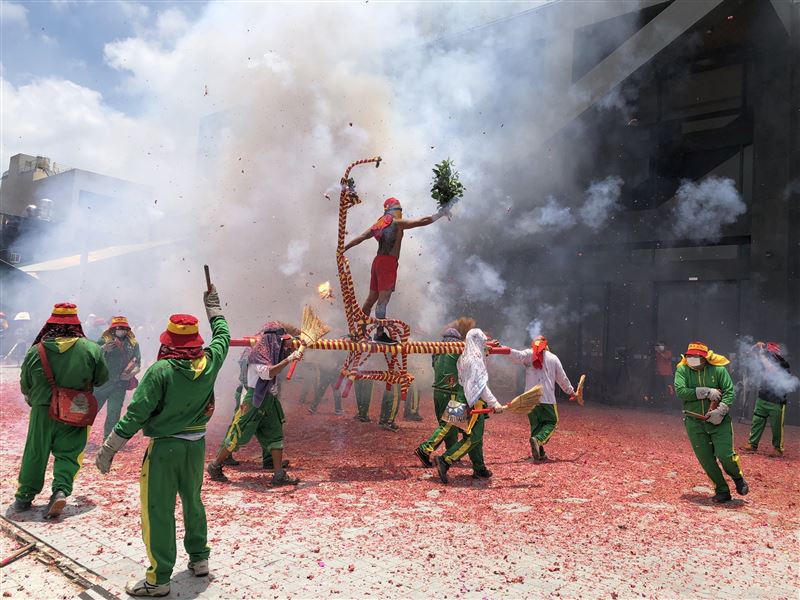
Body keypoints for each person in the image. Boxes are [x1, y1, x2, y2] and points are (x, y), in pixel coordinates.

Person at [95, 287, 229, 597]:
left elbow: (135, 415)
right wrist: (214, 309)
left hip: (165, 449)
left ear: (167, 341)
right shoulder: (211, 361)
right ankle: (199, 560)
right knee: (193, 502)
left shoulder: (159, 371)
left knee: (158, 510)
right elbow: (222, 334)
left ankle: (158, 580)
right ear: (196, 340)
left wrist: (109, 447)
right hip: (196, 447)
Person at [12, 303, 108, 518]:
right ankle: (61, 490)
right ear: (76, 324)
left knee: (36, 451)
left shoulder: (36, 350)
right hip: (76, 406)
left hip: (42, 409)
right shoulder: (91, 348)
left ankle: (24, 497)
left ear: (51, 324)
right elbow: (102, 379)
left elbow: (25, 384)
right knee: (70, 451)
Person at [342, 197, 449, 343]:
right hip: (388, 263)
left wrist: (343, 248)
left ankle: (359, 332)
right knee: (382, 301)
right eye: (399, 210)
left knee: (371, 299)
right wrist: (440, 214)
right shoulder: (397, 223)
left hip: (377, 262)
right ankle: (379, 334)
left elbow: (361, 237)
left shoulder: (379, 224)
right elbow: (424, 221)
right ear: (394, 210)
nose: (400, 213)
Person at [207, 322, 301, 486]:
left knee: (275, 433)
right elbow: (267, 373)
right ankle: (215, 466)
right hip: (253, 399)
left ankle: (279, 474)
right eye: (280, 339)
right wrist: (289, 359)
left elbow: (287, 348)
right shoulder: (257, 353)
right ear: (272, 339)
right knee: (238, 434)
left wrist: (298, 345)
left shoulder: (272, 350)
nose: (282, 343)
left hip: (269, 399)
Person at [674, 341, 749, 504]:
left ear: (705, 358)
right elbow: (680, 391)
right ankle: (722, 490)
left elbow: (729, 391)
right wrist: (706, 392)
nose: (692, 359)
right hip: (694, 421)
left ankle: (737, 477)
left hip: (719, 421)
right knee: (706, 459)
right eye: (690, 356)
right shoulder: (682, 369)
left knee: (725, 455)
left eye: (696, 357)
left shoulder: (719, 370)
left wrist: (721, 410)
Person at [432, 329, 504, 484]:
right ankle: (445, 460)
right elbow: (481, 386)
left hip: (458, 394)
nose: (484, 345)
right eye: (483, 342)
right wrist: (494, 403)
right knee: (474, 437)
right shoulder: (474, 359)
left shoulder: (463, 355)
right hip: (471, 400)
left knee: (447, 428)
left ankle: (479, 468)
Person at [504, 335, 577, 461]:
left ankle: (540, 453)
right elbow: (562, 378)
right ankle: (538, 440)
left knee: (536, 425)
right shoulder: (553, 358)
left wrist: (503, 349)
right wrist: (570, 392)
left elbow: (516, 355)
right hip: (546, 398)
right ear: (546, 345)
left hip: (530, 399)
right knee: (552, 422)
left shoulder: (529, 354)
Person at [94, 316, 141, 439]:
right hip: (102, 383)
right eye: (119, 328)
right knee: (91, 411)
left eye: (125, 328)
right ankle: (78, 438)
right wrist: (103, 349)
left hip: (120, 384)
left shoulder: (133, 343)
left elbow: (138, 362)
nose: (123, 331)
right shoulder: (104, 340)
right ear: (113, 329)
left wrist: (131, 373)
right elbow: (91, 357)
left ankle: (107, 442)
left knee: (114, 413)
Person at [742, 342, 791, 456]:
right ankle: (752, 444)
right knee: (757, 422)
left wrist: (761, 354)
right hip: (762, 398)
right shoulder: (764, 360)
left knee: (777, 426)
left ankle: (778, 448)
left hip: (777, 402)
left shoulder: (783, 364)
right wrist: (754, 348)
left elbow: (771, 370)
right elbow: (749, 356)